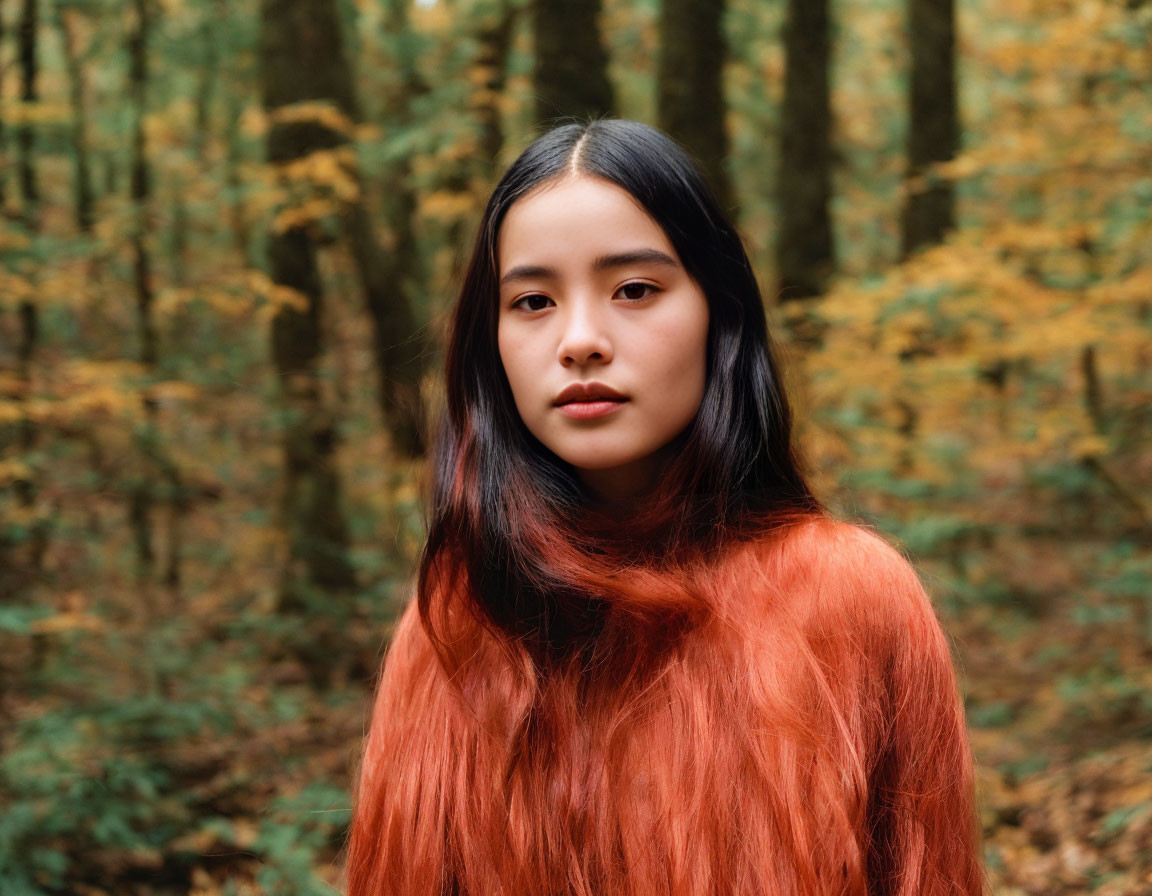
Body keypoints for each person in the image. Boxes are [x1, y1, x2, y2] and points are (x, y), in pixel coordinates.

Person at [344, 119, 984, 896]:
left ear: (719, 314)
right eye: (534, 300)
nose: (580, 340)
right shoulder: (457, 622)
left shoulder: (853, 596)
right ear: (494, 344)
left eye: (635, 290)